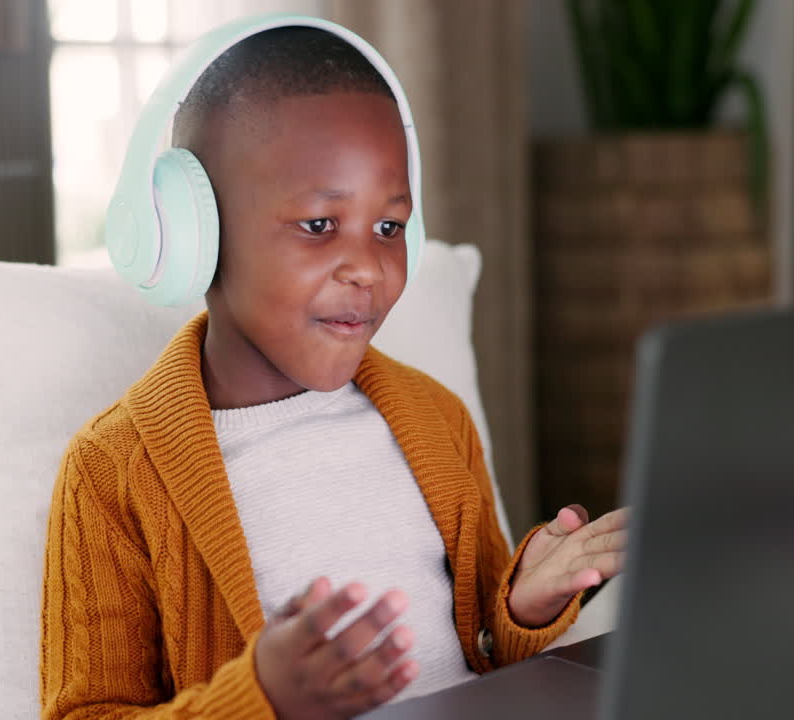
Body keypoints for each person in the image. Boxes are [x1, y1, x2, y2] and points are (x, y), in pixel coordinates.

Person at [40, 23, 626, 720]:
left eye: (389, 228)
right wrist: (261, 699)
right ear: (195, 234)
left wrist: (525, 604)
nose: (370, 268)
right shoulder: (111, 474)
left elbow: (483, 652)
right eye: (320, 225)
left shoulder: (436, 418)